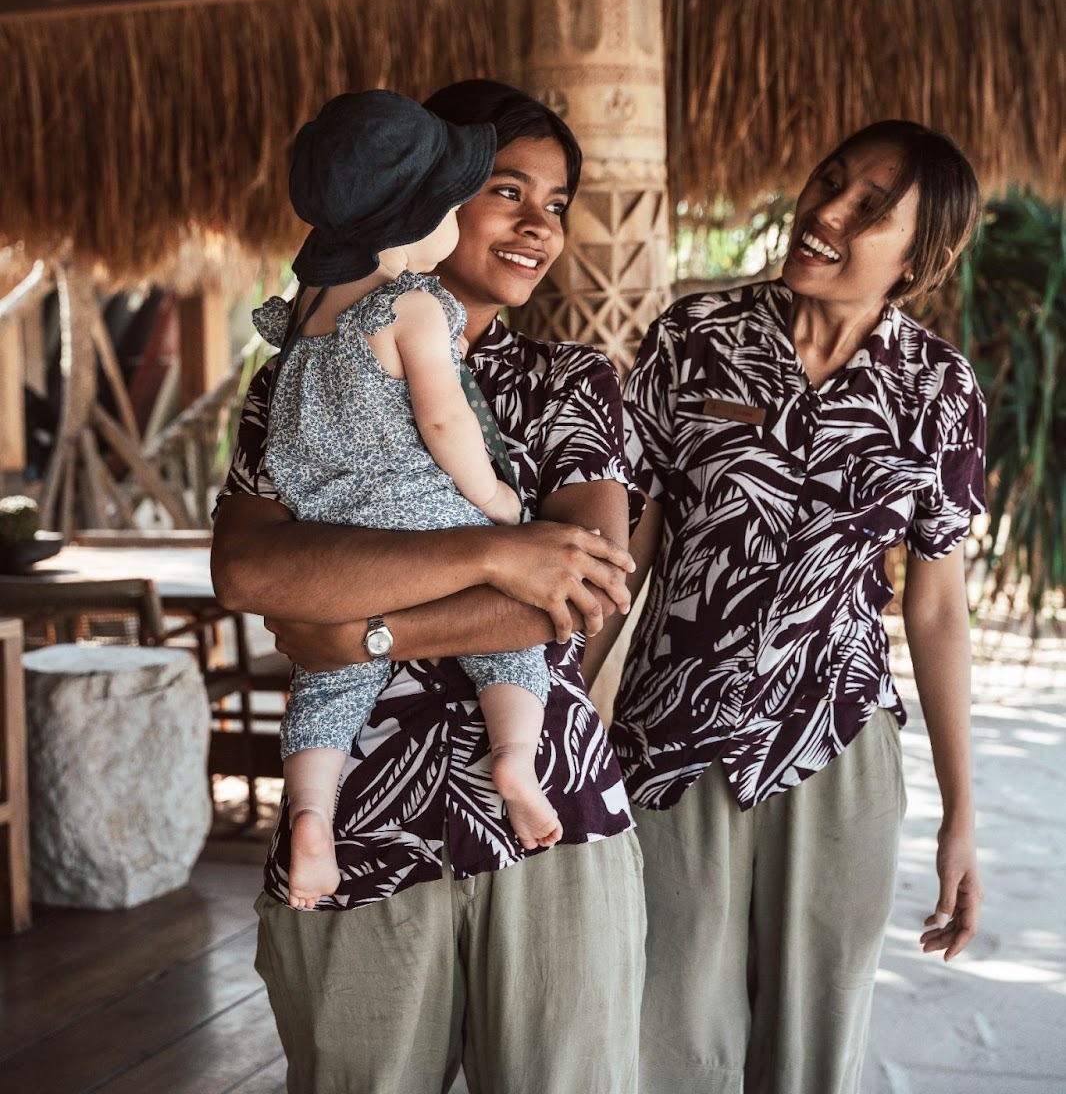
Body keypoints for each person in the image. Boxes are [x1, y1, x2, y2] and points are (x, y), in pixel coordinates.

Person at [211, 79, 646, 1094]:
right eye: (505, 188)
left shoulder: (571, 381)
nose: (537, 223)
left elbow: (582, 589)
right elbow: (253, 570)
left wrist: (358, 632)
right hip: (357, 821)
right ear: (425, 201)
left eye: (556, 200)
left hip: (552, 817)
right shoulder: (294, 370)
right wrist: (494, 552)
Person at [584, 119, 987, 1094]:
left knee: (812, 1043)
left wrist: (960, 814)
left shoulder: (937, 388)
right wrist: (561, 732)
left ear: (919, 256)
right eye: (830, 183)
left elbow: (933, 607)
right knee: (663, 1033)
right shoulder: (695, 337)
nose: (826, 213)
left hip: (836, 745)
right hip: (672, 738)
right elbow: (617, 556)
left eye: (868, 211)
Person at [254, 89, 563, 912]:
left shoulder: (302, 319)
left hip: (334, 539)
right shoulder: (415, 305)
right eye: (459, 204)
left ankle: (312, 818)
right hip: (424, 515)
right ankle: (514, 761)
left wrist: (361, 625)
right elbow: (443, 418)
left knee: (324, 686)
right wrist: (493, 500)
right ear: (415, 220)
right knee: (512, 644)